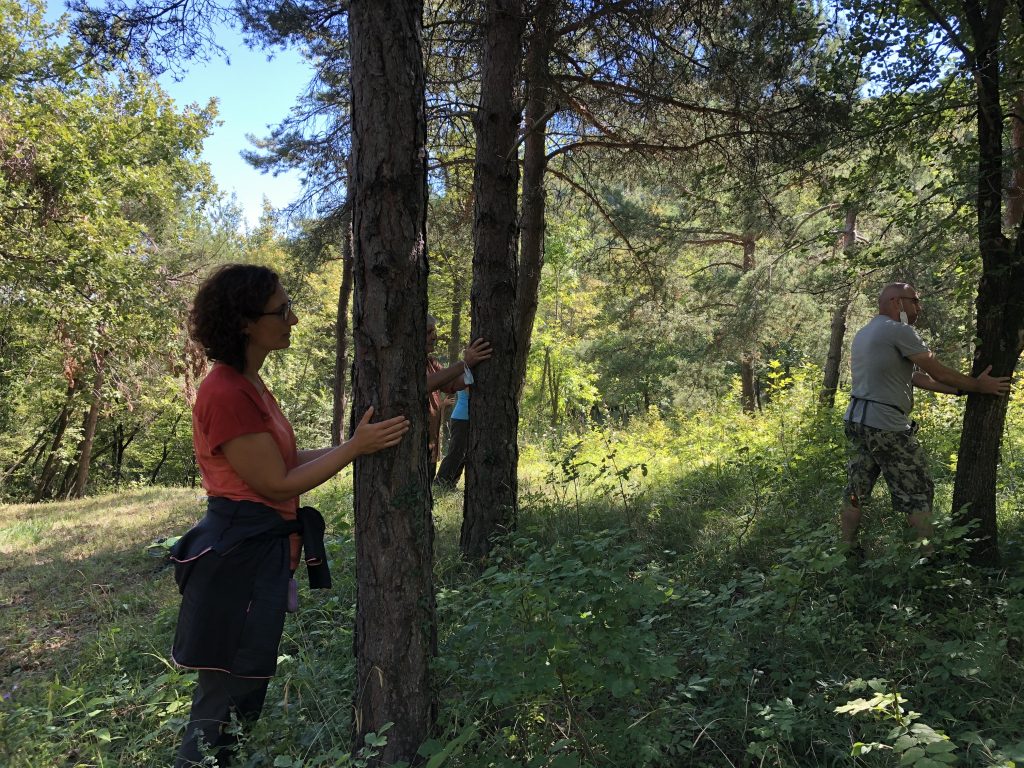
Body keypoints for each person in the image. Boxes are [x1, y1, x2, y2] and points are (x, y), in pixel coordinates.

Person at [172, 264, 409, 767]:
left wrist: (353, 446)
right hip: (236, 555)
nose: (293, 319)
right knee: (224, 700)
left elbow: (280, 462)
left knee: (245, 689)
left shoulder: (251, 384)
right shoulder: (226, 392)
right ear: (244, 322)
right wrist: (354, 450)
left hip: (257, 553)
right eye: (281, 311)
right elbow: (275, 484)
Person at [840, 282, 1011, 552]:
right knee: (917, 490)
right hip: (886, 426)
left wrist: (960, 389)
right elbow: (937, 371)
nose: (919, 307)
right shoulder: (899, 330)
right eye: (915, 301)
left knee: (855, 489)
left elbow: (914, 377)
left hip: (858, 422)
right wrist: (979, 386)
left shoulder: (865, 333)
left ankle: (845, 548)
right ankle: (927, 557)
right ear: (897, 302)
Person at [425, 315, 490, 476]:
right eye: (429, 332)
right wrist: (464, 363)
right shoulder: (405, 363)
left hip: (429, 442)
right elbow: (425, 384)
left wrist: (475, 366)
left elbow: (452, 383)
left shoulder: (431, 363)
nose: (435, 336)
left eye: (435, 331)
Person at [435, 387, 470, 488]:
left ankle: (451, 483)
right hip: (461, 418)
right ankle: (441, 481)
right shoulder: (466, 374)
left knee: (463, 453)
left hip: (465, 418)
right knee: (456, 452)